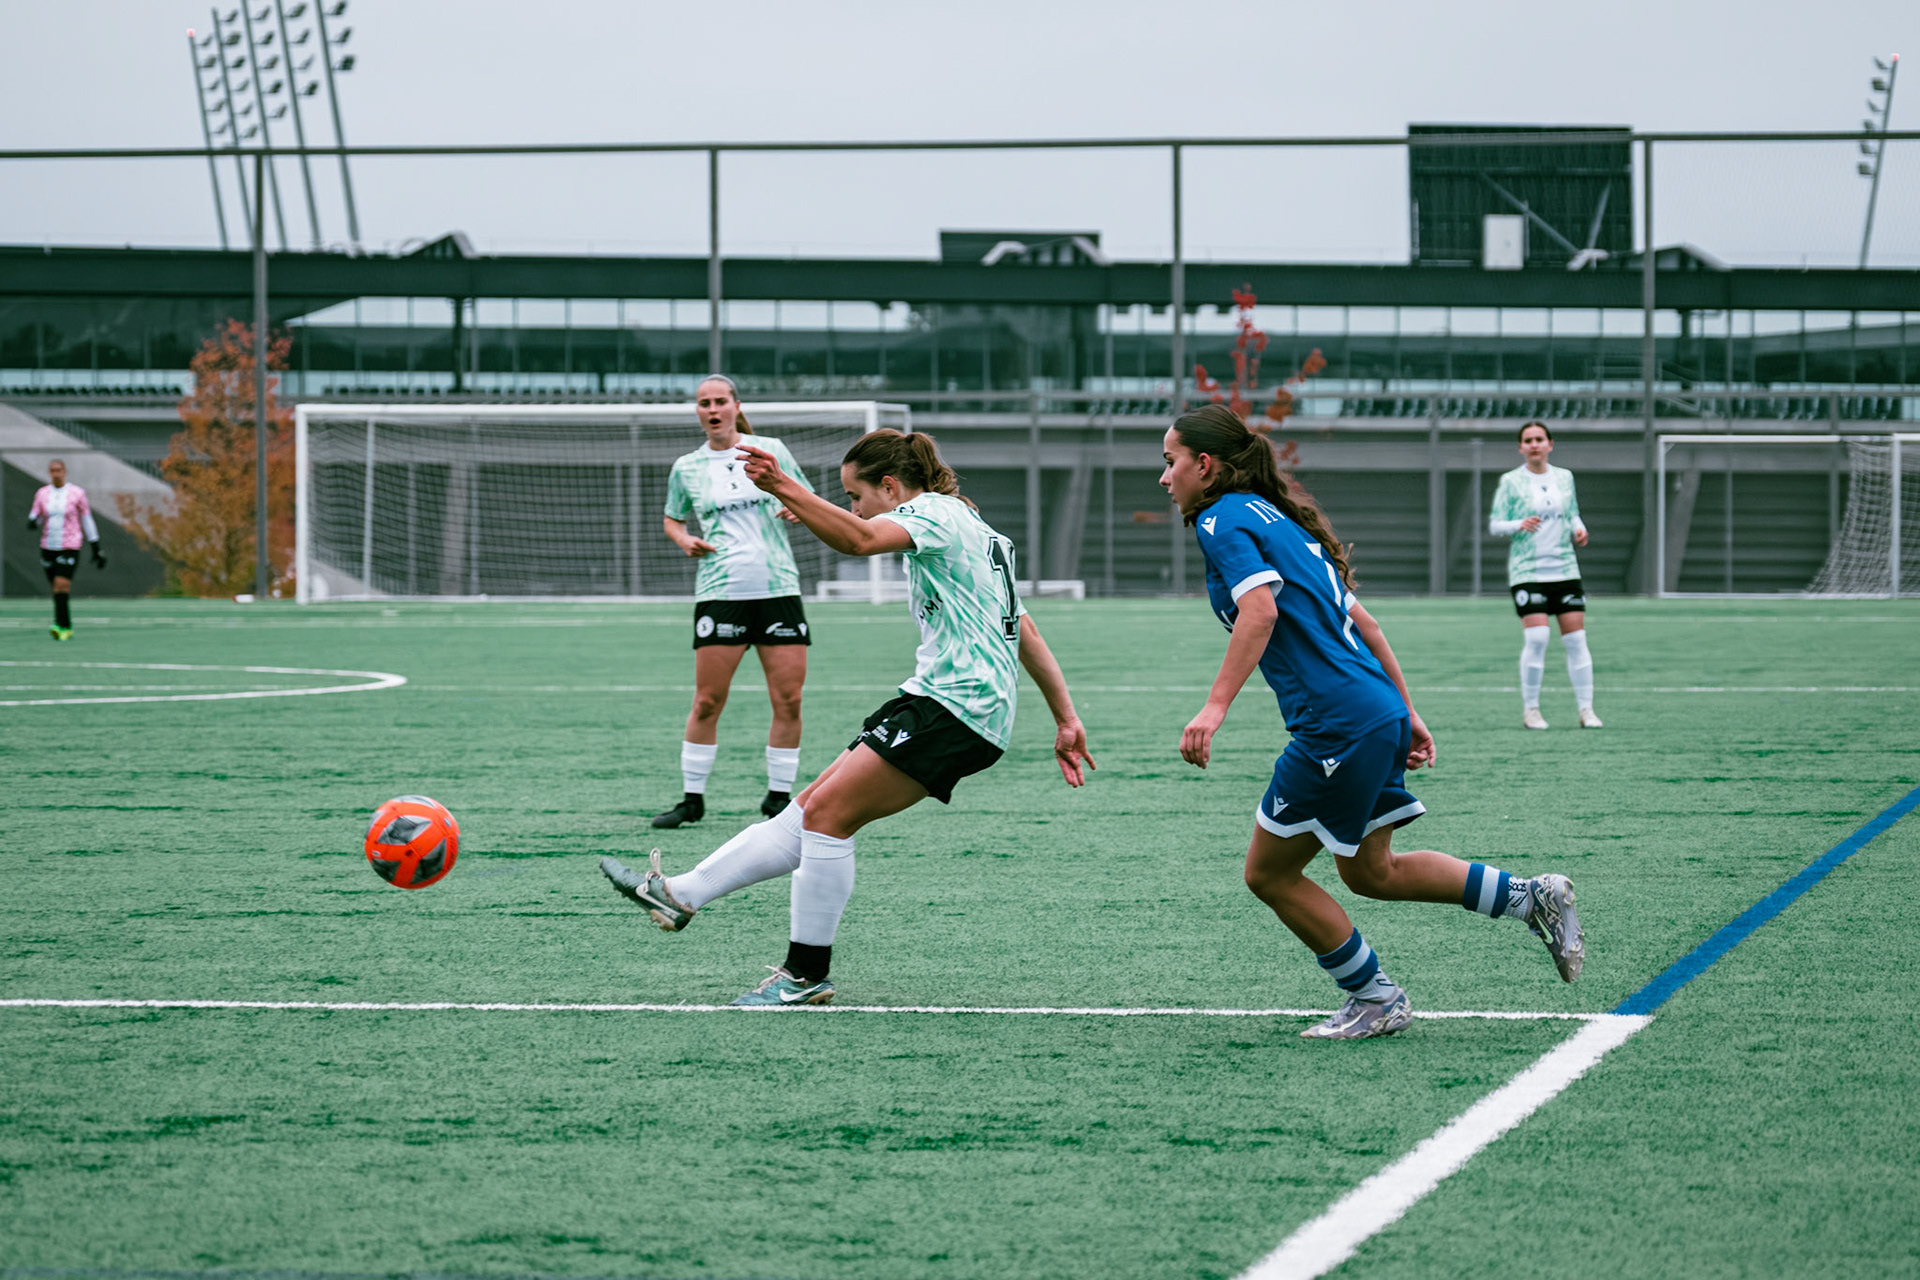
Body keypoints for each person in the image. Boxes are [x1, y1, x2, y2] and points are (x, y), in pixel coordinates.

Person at [601, 428, 1093, 1006]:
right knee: (806, 809)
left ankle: (804, 976)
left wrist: (782, 483)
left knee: (827, 819)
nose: (853, 508)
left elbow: (858, 540)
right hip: (939, 700)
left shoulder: (931, 513)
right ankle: (680, 894)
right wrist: (1066, 717)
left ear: (891, 487)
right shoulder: (976, 529)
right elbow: (1025, 630)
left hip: (957, 708)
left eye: (855, 495)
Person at [1161, 405, 1582, 1041]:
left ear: (1205, 464)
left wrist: (1213, 707)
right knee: (1369, 871)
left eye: (1169, 462)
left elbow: (1260, 612)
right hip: (1372, 710)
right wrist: (1405, 711)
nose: (1164, 478)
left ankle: (1375, 997)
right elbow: (1368, 626)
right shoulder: (1284, 523)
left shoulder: (1221, 519)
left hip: (1336, 723)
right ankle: (1530, 897)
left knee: (1269, 873)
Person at [653, 374, 816, 828]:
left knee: (788, 699)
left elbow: (803, 497)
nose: (712, 409)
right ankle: (691, 800)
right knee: (708, 700)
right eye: (704, 403)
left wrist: (793, 505)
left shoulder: (770, 450)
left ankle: (778, 800)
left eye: (720, 401)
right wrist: (684, 538)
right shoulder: (687, 466)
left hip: (777, 589)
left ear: (735, 405)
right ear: (698, 412)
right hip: (721, 593)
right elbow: (672, 519)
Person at [1489, 421, 1601, 730]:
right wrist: (1517, 524)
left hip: (1564, 568)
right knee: (1538, 637)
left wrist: (1580, 528)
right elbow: (1496, 524)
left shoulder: (1564, 477)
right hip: (1528, 571)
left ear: (1550, 444)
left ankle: (1586, 710)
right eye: (1528, 440)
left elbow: (1572, 512)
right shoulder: (1510, 482)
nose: (1534, 444)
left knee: (1577, 639)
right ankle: (1531, 710)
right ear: (1521, 447)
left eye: (1540, 439)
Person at [26, 458, 106, 642]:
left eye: (58, 470)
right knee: (55, 588)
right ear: (49, 472)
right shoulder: (42, 494)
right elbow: (35, 517)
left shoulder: (76, 493)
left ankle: (61, 626)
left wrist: (96, 547)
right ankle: (64, 625)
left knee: (62, 584)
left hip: (69, 545)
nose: (56, 473)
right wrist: (32, 522)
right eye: (52, 470)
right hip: (48, 545)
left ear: (64, 471)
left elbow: (87, 519)